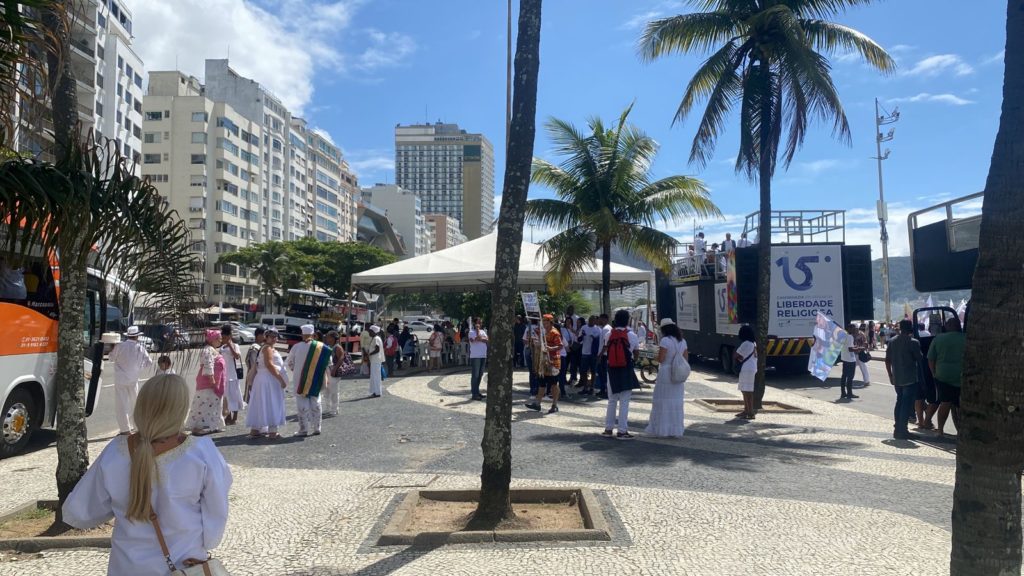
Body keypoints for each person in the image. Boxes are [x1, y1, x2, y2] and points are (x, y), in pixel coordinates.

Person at [62, 375, 232, 576]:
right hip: (185, 566)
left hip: (126, 568)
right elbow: (215, 520)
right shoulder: (202, 453)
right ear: (180, 410)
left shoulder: (115, 452)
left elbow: (79, 513)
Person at [645, 318, 688, 437]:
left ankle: (661, 429)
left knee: (662, 400)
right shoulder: (683, 341)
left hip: (666, 372)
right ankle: (675, 430)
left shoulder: (665, 341)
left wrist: (654, 356)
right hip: (678, 373)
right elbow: (685, 358)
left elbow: (661, 359)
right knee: (676, 401)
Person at [287, 324, 331, 437]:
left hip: (300, 380)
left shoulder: (296, 347)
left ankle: (303, 429)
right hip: (316, 380)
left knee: (302, 403)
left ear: (302, 334)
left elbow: (290, 363)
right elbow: (328, 363)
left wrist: (297, 371)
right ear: (313, 334)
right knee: (316, 402)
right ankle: (317, 427)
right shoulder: (322, 347)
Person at [601, 309, 640, 438]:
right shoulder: (632, 335)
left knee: (612, 400)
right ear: (627, 320)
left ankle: (608, 429)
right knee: (624, 401)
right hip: (626, 369)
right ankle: (622, 430)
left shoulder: (608, 334)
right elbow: (636, 353)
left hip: (611, 369)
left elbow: (606, 350)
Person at [108, 326, 153, 435]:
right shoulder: (140, 348)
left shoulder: (119, 346)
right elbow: (149, 362)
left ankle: (125, 429)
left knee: (121, 404)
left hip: (121, 379)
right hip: (134, 379)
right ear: (137, 336)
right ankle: (137, 427)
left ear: (127, 335)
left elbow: (111, 358)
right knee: (135, 403)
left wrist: (111, 348)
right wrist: (138, 368)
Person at [885, 320, 923, 440]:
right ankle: (903, 430)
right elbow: (920, 359)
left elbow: (887, 360)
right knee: (906, 404)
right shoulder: (913, 342)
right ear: (910, 328)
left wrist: (890, 375)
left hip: (897, 377)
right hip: (910, 378)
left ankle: (898, 428)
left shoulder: (892, 341)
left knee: (899, 402)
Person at [246, 330, 288, 439]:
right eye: (271, 336)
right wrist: (281, 380)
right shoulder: (268, 348)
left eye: (275, 336)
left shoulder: (265, 348)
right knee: (271, 402)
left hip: (262, 379)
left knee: (261, 402)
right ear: (266, 337)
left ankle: (255, 429)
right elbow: (269, 365)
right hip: (269, 379)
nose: (274, 338)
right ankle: (273, 431)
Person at [928, 317, 966, 436]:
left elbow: (931, 358)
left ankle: (940, 430)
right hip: (961, 375)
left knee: (945, 402)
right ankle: (963, 430)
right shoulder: (966, 338)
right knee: (962, 404)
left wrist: (934, 372)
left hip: (943, 375)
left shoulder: (939, 338)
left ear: (948, 326)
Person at [190, 330, 226, 436]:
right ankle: (197, 427)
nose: (220, 340)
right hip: (208, 383)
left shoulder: (213, 349)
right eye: (218, 338)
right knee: (203, 404)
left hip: (216, 381)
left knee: (215, 404)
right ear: (213, 340)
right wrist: (212, 380)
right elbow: (208, 365)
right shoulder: (207, 350)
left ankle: (215, 425)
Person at [526, 314, 562, 414]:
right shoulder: (542, 331)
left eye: (546, 322)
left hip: (553, 362)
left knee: (554, 384)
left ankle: (554, 404)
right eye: (543, 322)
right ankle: (537, 403)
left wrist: (551, 348)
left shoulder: (554, 332)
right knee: (541, 383)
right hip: (543, 361)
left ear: (550, 322)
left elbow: (560, 345)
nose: (544, 323)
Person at [220, 325, 244, 426]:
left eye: (225, 337)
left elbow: (237, 356)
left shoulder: (235, 346)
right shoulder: (221, 347)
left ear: (230, 336)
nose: (223, 339)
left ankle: (235, 416)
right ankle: (228, 415)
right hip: (224, 375)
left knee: (235, 395)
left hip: (233, 375)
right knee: (226, 396)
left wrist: (230, 345)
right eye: (223, 337)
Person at [734, 325, 758, 419]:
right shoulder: (753, 343)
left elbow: (736, 355)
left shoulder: (746, 343)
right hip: (752, 367)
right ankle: (747, 410)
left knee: (746, 390)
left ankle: (750, 411)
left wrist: (740, 359)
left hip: (746, 368)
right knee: (747, 390)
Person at [577, 316, 600, 396]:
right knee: (583, 371)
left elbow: (599, 341)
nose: (591, 322)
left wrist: (594, 338)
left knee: (593, 371)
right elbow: (578, 340)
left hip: (593, 353)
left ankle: (592, 388)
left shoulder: (598, 329)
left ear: (595, 321)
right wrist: (582, 335)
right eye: (590, 320)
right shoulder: (584, 327)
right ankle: (585, 387)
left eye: (593, 320)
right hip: (585, 353)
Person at [323, 331, 344, 417]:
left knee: (334, 391)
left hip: (333, 372)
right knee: (327, 390)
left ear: (333, 338)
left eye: (328, 337)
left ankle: (334, 409)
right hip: (328, 370)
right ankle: (328, 408)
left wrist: (334, 370)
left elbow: (341, 358)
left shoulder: (337, 347)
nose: (326, 338)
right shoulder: (329, 346)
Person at [468, 318, 488, 401]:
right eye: (478, 322)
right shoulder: (471, 332)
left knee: (480, 375)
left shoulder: (483, 331)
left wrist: (481, 338)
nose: (480, 324)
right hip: (475, 356)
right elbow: (473, 340)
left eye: (480, 322)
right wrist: (477, 332)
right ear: (475, 323)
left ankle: (477, 391)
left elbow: (487, 340)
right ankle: (474, 393)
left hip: (483, 355)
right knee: (475, 375)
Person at [838, 323, 860, 400]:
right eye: (854, 328)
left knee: (844, 376)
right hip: (850, 360)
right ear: (850, 329)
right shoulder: (850, 337)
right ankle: (849, 393)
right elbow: (850, 349)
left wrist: (854, 347)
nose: (855, 330)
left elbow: (847, 347)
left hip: (844, 358)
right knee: (850, 377)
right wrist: (858, 349)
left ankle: (843, 393)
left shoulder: (844, 336)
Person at [244, 327, 265, 403]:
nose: (265, 337)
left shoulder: (262, 347)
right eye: (264, 335)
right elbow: (254, 364)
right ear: (259, 336)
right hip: (255, 377)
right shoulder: (254, 348)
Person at [595, 313, 612, 399]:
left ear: (604, 319)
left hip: (604, 355)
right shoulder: (606, 328)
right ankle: (603, 390)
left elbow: (606, 344)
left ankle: (605, 390)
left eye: (600, 319)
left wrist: (600, 355)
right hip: (604, 354)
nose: (599, 321)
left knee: (603, 374)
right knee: (602, 373)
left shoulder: (606, 329)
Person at [367, 325, 384, 398]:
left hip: (376, 360)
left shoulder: (376, 338)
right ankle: (375, 391)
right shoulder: (376, 338)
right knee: (374, 376)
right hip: (375, 360)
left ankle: (377, 392)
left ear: (374, 332)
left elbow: (377, 349)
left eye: (370, 331)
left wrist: (369, 354)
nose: (369, 333)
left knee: (376, 376)